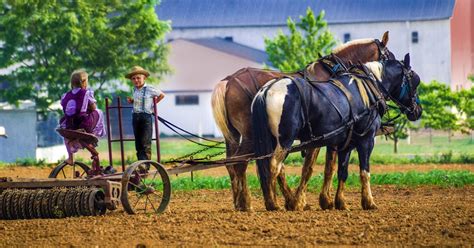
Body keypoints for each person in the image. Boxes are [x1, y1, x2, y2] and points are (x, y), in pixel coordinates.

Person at [59, 69, 109, 170]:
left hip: (70, 125)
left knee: (66, 135)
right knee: (98, 112)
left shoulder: (66, 95)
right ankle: (93, 133)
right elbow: (93, 107)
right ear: (84, 82)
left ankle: (70, 157)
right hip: (83, 125)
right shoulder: (86, 93)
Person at [126, 66, 165, 161]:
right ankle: (140, 163)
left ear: (144, 78)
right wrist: (132, 101)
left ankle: (145, 165)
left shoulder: (149, 89)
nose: (136, 80)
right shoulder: (134, 89)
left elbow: (162, 95)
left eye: (138, 78)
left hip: (145, 117)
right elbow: (138, 100)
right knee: (138, 143)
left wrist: (152, 106)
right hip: (135, 117)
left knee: (145, 142)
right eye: (133, 79)